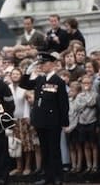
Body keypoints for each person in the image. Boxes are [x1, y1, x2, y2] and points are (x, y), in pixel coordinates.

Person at [20, 52, 69, 185]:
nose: (41, 66)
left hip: (53, 121)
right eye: (40, 64)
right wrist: (27, 72)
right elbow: (24, 85)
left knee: (54, 150)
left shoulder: (58, 81)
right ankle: (48, 177)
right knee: (45, 150)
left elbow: (63, 103)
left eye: (44, 63)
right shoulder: (40, 79)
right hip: (40, 121)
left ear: (52, 64)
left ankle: (58, 177)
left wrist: (65, 122)